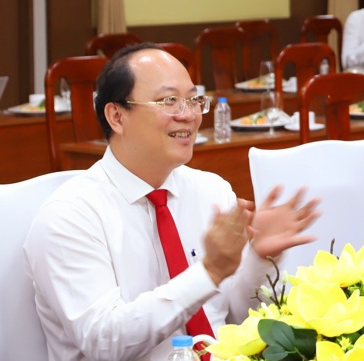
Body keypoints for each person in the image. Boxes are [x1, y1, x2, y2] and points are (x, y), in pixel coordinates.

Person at [24, 44, 321, 361]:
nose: (189, 115)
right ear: (117, 116)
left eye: (193, 99)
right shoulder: (70, 216)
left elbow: (237, 317)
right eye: (169, 101)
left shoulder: (210, 191)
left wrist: (260, 259)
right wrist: (208, 273)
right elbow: (103, 341)